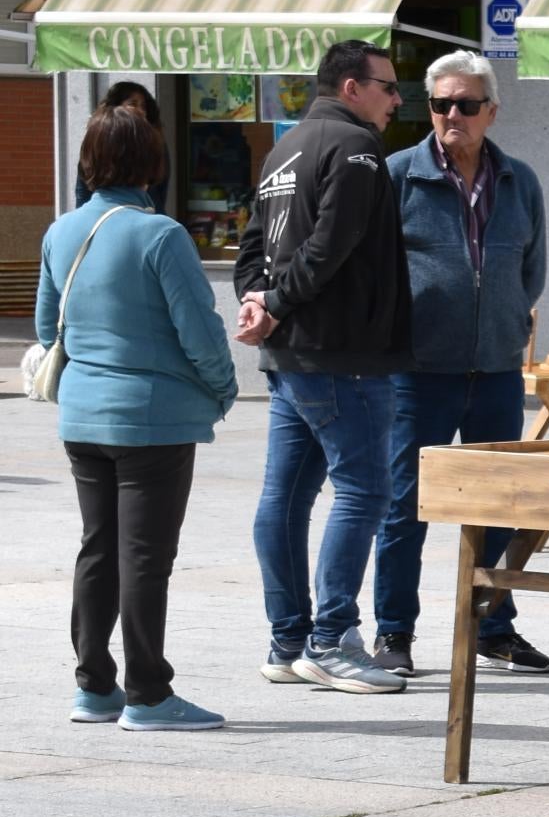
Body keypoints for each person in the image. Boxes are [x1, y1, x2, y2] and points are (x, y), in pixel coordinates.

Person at [40, 108, 237, 730]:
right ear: (155, 163)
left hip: (82, 417)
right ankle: (149, 693)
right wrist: (224, 387)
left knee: (98, 549)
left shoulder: (60, 232)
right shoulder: (162, 235)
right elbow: (200, 329)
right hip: (153, 420)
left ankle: (94, 687)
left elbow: (50, 329)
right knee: (146, 556)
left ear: (87, 161)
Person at [234, 37, 415, 695]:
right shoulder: (357, 148)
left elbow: (252, 246)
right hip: (344, 353)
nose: (398, 99)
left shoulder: (283, 148)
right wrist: (274, 303)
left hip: (295, 356)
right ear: (351, 88)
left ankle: (287, 640)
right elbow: (331, 243)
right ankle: (332, 638)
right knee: (366, 490)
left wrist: (257, 302)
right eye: (389, 87)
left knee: (285, 499)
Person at [370, 50, 549, 678]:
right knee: (405, 507)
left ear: (491, 112)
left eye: (466, 105)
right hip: (417, 374)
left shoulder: (519, 180)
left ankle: (492, 626)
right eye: (442, 103)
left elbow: (531, 272)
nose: (453, 114)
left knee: (499, 506)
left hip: (496, 371)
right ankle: (393, 634)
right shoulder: (396, 175)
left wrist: (500, 322)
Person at [75, 81, 172, 213]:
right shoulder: (97, 142)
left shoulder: (156, 143)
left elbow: (160, 190)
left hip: (145, 215)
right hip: (102, 214)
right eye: (133, 104)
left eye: (143, 107)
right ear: (115, 108)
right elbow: (83, 185)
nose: (140, 111)